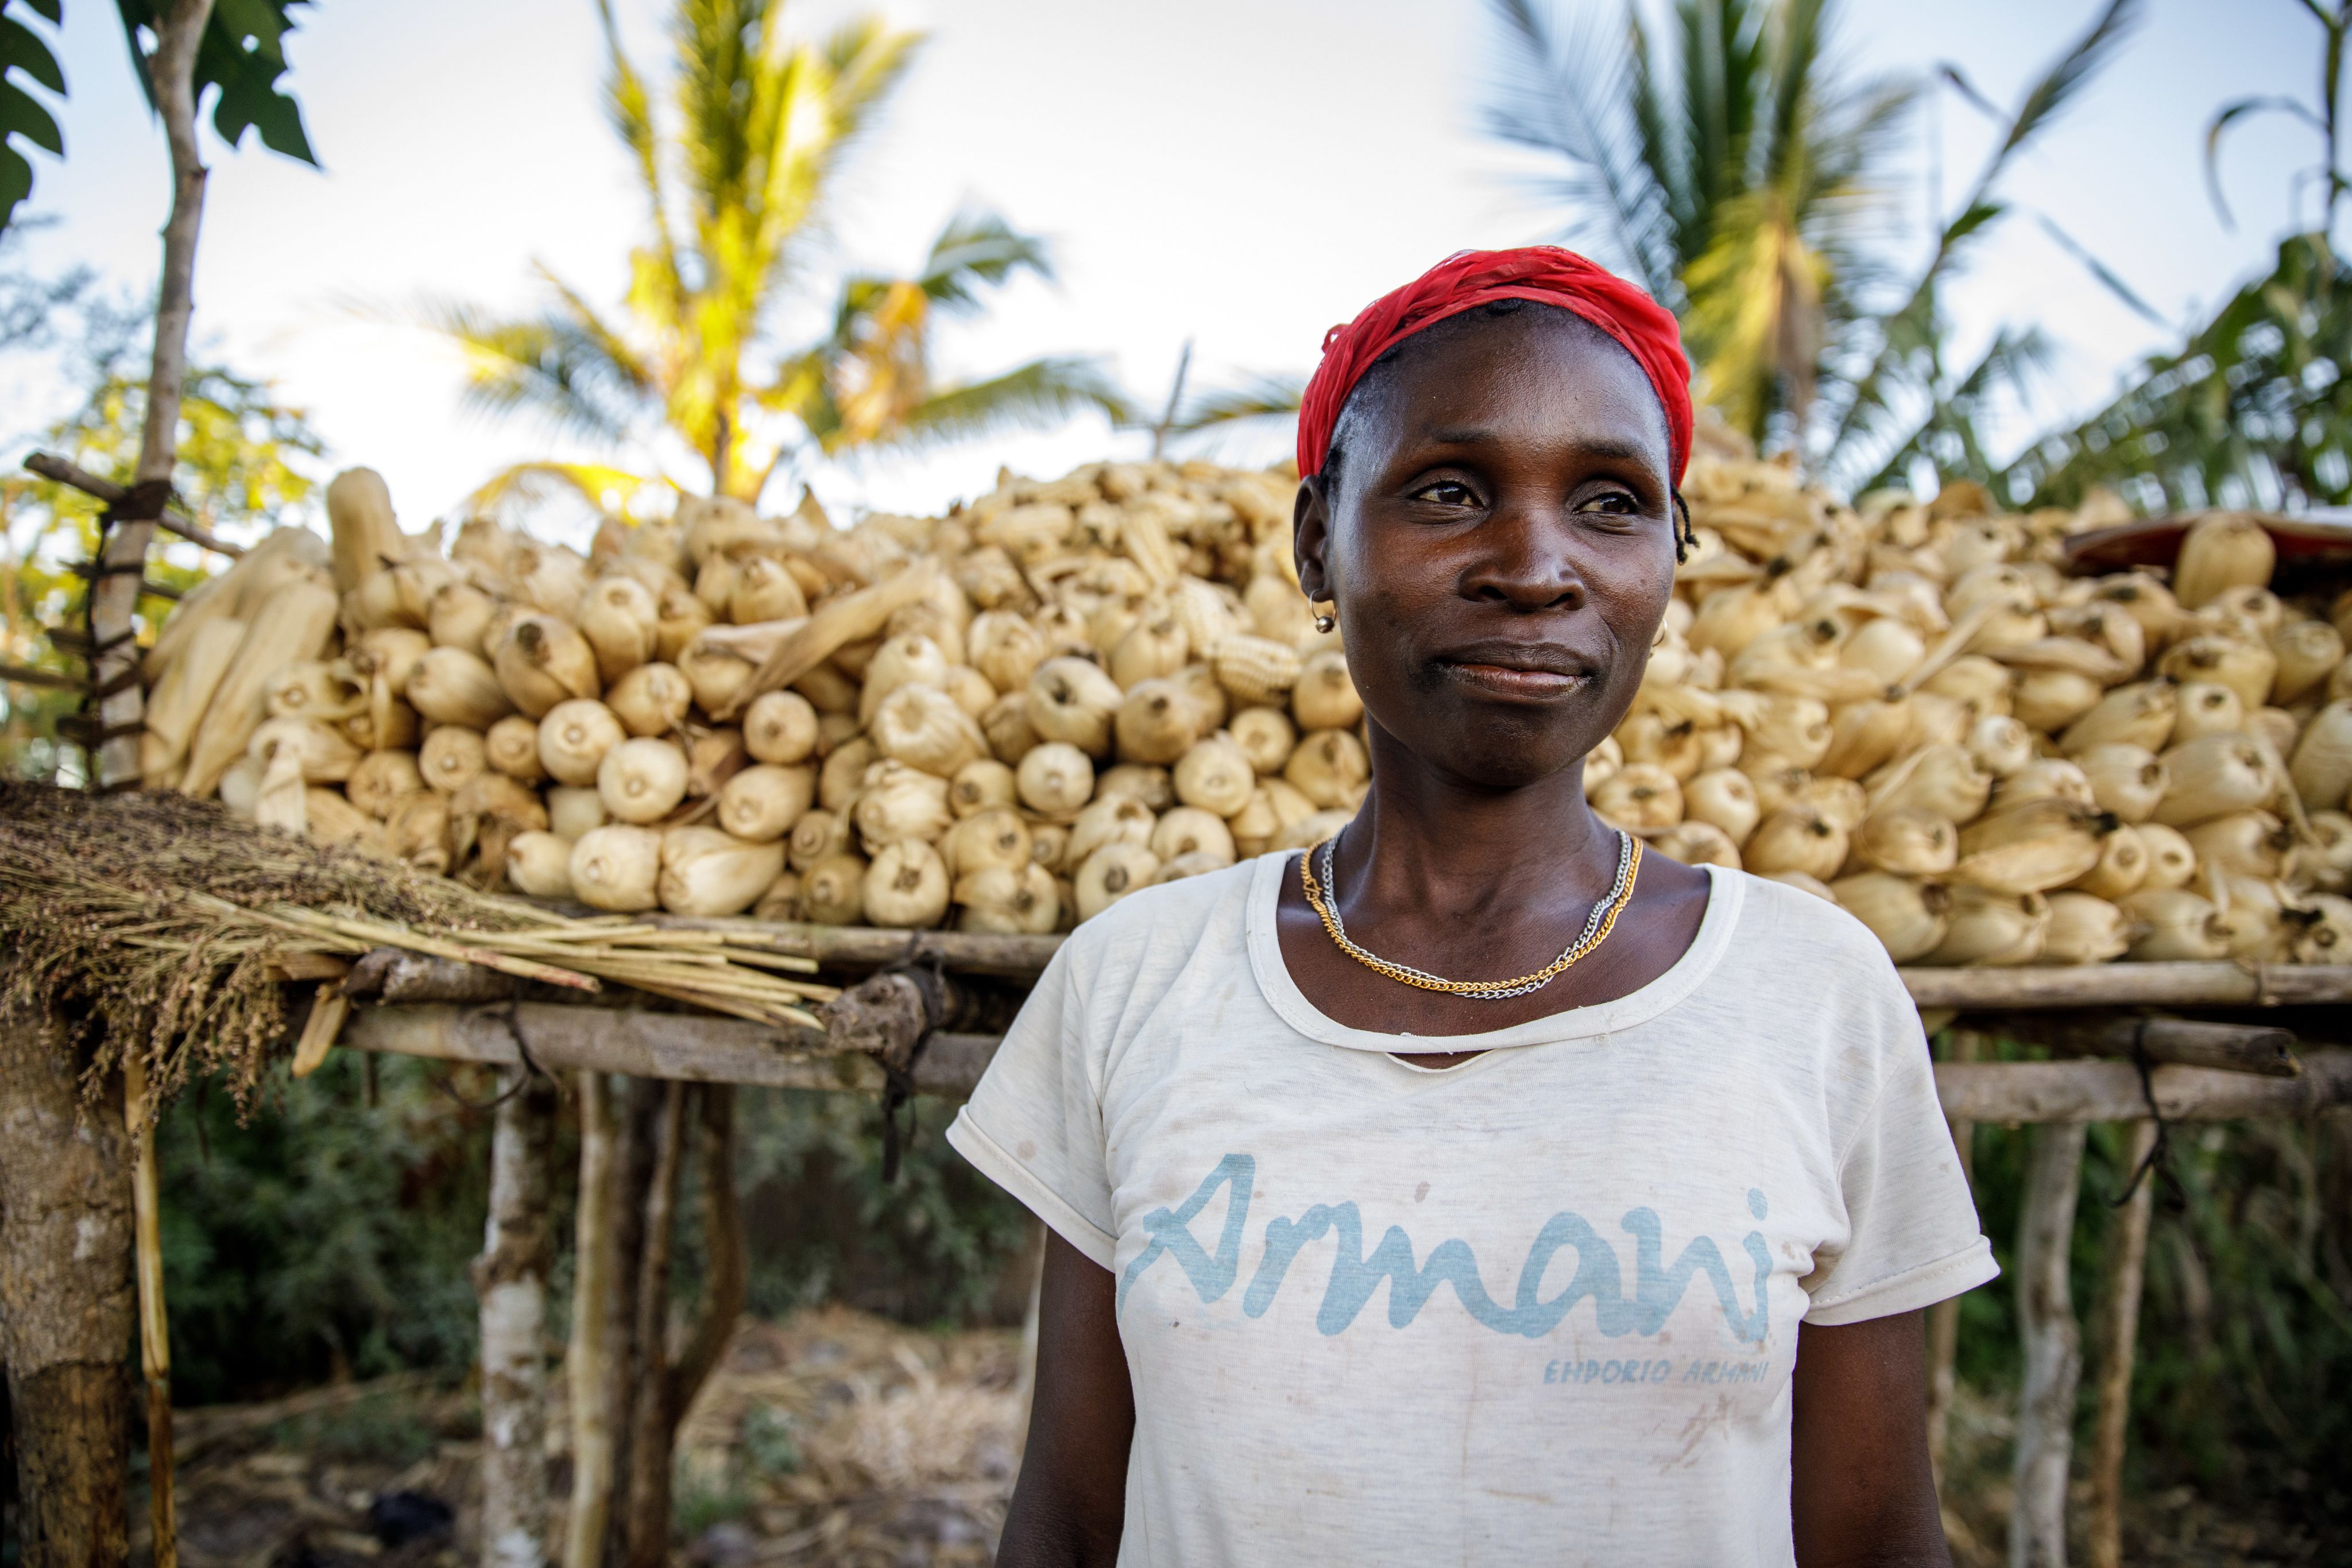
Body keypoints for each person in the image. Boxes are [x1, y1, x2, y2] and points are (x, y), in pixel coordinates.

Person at [947, 246, 1995, 1567]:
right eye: (1448, 490)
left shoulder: (1811, 995)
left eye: (1609, 503)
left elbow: (1876, 1536)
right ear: (1315, 539)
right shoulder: (1137, 983)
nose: (1534, 565)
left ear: (1669, 556)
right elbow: (1066, 1521)